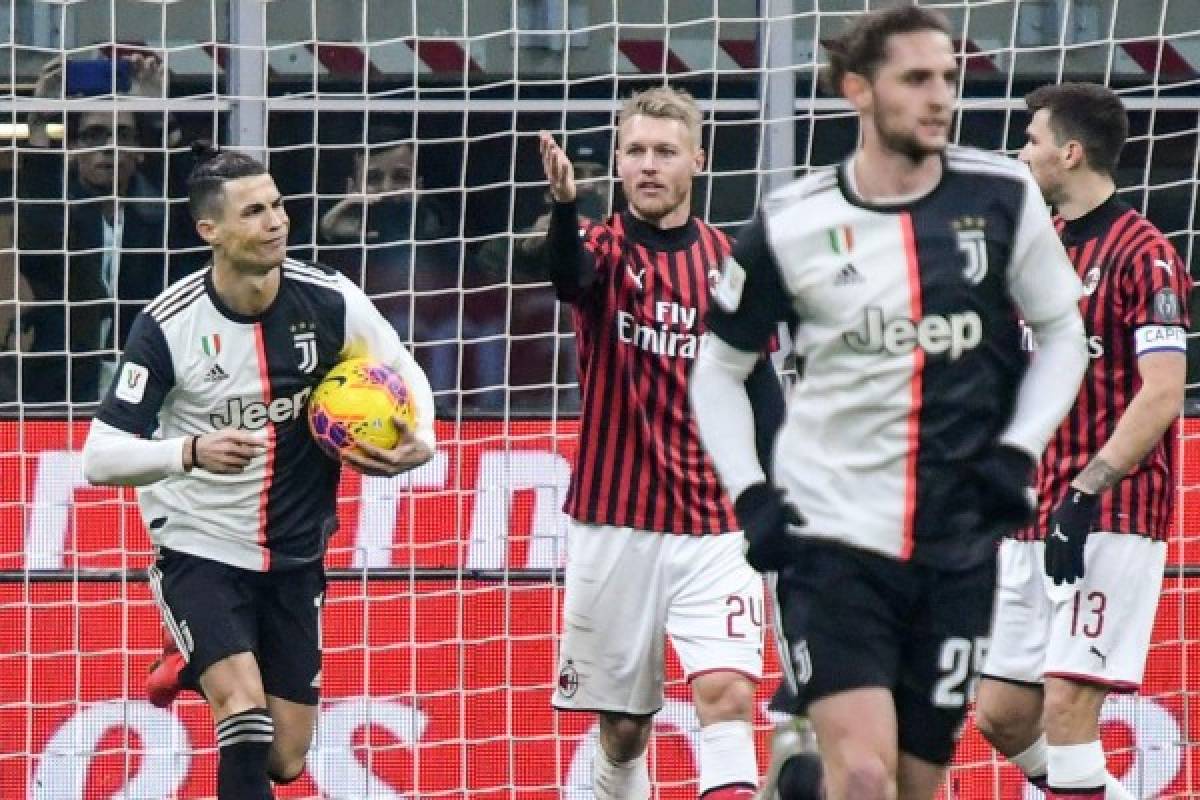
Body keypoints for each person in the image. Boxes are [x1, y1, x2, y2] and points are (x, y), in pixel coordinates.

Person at [689, 7, 1090, 800]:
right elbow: (718, 368)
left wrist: (1018, 449)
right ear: (857, 92)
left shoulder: (1004, 195)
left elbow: (1063, 334)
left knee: (915, 782)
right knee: (866, 776)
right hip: (831, 538)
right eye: (916, 78)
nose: (940, 96)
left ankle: (798, 769)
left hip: (955, 543)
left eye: (947, 76)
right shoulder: (794, 221)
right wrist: (753, 496)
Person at [80, 144, 436, 799]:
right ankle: (199, 649)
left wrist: (425, 438)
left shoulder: (328, 300)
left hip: (296, 550)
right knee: (242, 711)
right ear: (210, 230)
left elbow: (400, 364)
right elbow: (100, 457)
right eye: (254, 212)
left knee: (285, 758)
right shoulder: (168, 325)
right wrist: (187, 451)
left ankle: (187, 660)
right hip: (198, 542)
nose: (276, 221)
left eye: (277, 205)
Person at [540, 86, 784, 800]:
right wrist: (562, 207)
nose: (648, 166)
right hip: (616, 525)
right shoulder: (600, 247)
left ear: (697, 161)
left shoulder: (731, 261)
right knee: (623, 730)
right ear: (616, 162)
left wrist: (779, 495)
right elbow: (565, 278)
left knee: (727, 699)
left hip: (716, 525)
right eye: (636, 151)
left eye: (665, 152)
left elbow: (759, 383)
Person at [974, 83, 1191, 800]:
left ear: (1069, 152)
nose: (1021, 151)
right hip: (1033, 513)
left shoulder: (1146, 253)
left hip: (1110, 513)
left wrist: (1084, 492)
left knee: (1068, 707)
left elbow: (1161, 392)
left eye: (1032, 139)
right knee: (1002, 715)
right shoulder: (1041, 251)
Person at [18, 53, 202, 405]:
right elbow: (36, 233)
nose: (109, 146)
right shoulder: (58, 216)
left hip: (151, 384)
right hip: (62, 389)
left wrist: (162, 116)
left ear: (140, 152)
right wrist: (39, 124)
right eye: (94, 135)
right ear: (72, 149)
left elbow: (193, 207)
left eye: (123, 134)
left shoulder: (158, 219)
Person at [318, 133, 502, 411]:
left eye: (401, 177)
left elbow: (486, 296)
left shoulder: (451, 240)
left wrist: (431, 242)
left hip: (448, 401)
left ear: (419, 186)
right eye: (373, 179)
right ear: (352, 188)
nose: (387, 190)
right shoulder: (323, 246)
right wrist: (324, 237)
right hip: (356, 404)